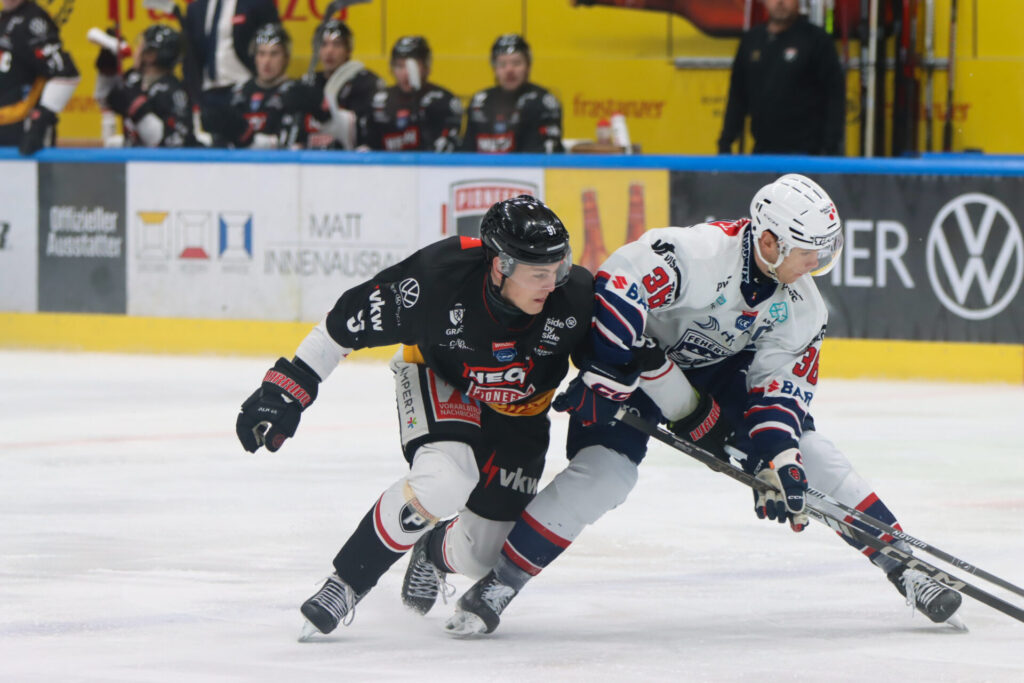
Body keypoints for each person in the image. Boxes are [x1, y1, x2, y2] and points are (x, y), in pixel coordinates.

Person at [411, 174, 964, 636]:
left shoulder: (802, 305)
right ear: (769, 242)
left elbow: (777, 390)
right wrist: (606, 372)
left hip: (716, 377)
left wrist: (779, 461)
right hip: (630, 366)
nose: (815, 268)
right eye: (808, 254)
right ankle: (502, 579)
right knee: (603, 478)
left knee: (813, 456)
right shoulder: (700, 252)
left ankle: (902, 565)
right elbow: (619, 283)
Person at [233, 196, 594, 638]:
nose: (552, 282)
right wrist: (286, 390)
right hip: (440, 378)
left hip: (522, 411)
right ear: (500, 266)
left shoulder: (574, 297)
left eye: (559, 268)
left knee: (484, 556)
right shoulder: (436, 280)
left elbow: (619, 362)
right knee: (446, 479)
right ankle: (345, 583)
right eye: (539, 273)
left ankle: (432, 550)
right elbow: (341, 327)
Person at [717, 0, 845, 156]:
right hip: (762, 152)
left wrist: (831, 148)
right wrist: (726, 142)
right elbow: (737, 96)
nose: (780, 2)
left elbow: (835, 96)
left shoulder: (817, 40)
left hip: (809, 155)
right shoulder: (751, 40)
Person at [201, 23, 304, 149]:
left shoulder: (297, 93)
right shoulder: (239, 92)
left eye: (274, 54)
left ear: (286, 58)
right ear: (254, 57)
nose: (267, 61)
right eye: (261, 54)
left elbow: (291, 143)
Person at [94, 25, 196, 148]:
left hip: (157, 164)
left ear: (151, 55)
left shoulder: (173, 93)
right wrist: (107, 68)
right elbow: (104, 100)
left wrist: (138, 108)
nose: (136, 51)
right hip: (131, 158)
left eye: (141, 46)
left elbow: (167, 143)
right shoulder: (134, 79)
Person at [460, 33, 563, 154]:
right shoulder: (480, 101)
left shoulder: (544, 102)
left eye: (516, 63)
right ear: (494, 68)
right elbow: (466, 152)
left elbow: (546, 155)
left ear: (528, 66)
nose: (509, 70)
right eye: (502, 64)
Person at [0, 0, 79, 155]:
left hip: (22, 129)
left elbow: (67, 73)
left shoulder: (33, 20)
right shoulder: (4, 18)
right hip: (4, 128)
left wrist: (39, 123)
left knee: (33, 179)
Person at [297, 18, 384, 150]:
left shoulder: (365, 82)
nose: (329, 51)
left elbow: (370, 133)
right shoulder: (307, 84)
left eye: (337, 45)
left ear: (348, 50)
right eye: (324, 44)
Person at [365, 36, 461, 152]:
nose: (406, 73)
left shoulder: (443, 101)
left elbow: (447, 148)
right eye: (400, 66)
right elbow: (368, 147)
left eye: (413, 66)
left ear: (426, 66)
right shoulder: (379, 102)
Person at [182, 0, 279, 111]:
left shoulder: (258, 3)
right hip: (207, 94)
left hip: (246, 88)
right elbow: (190, 56)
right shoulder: (196, 8)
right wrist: (194, 95)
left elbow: (274, 43)